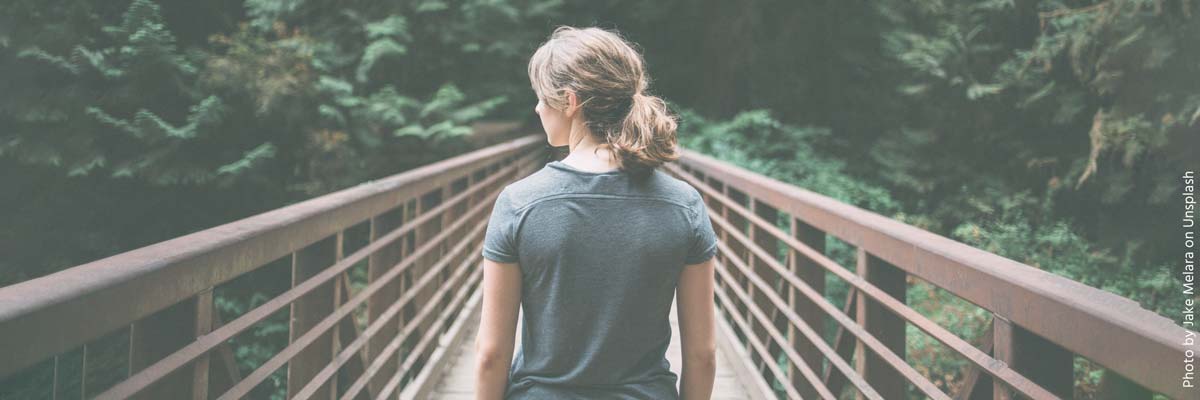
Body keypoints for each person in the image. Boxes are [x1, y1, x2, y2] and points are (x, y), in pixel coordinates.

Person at [474, 26, 719, 400]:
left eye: (541, 98)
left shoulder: (519, 203)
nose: (538, 108)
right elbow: (702, 355)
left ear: (569, 101)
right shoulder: (683, 204)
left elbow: (491, 354)